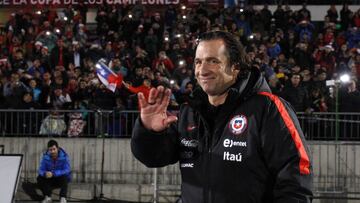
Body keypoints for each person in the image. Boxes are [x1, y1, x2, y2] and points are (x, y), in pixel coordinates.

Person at [131, 31, 313, 202]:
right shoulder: (190, 112)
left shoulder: (268, 108)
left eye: (213, 61)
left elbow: (297, 176)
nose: (202, 70)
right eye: (198, 62)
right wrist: (149, 131)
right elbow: (153, 158)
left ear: (235, 67)